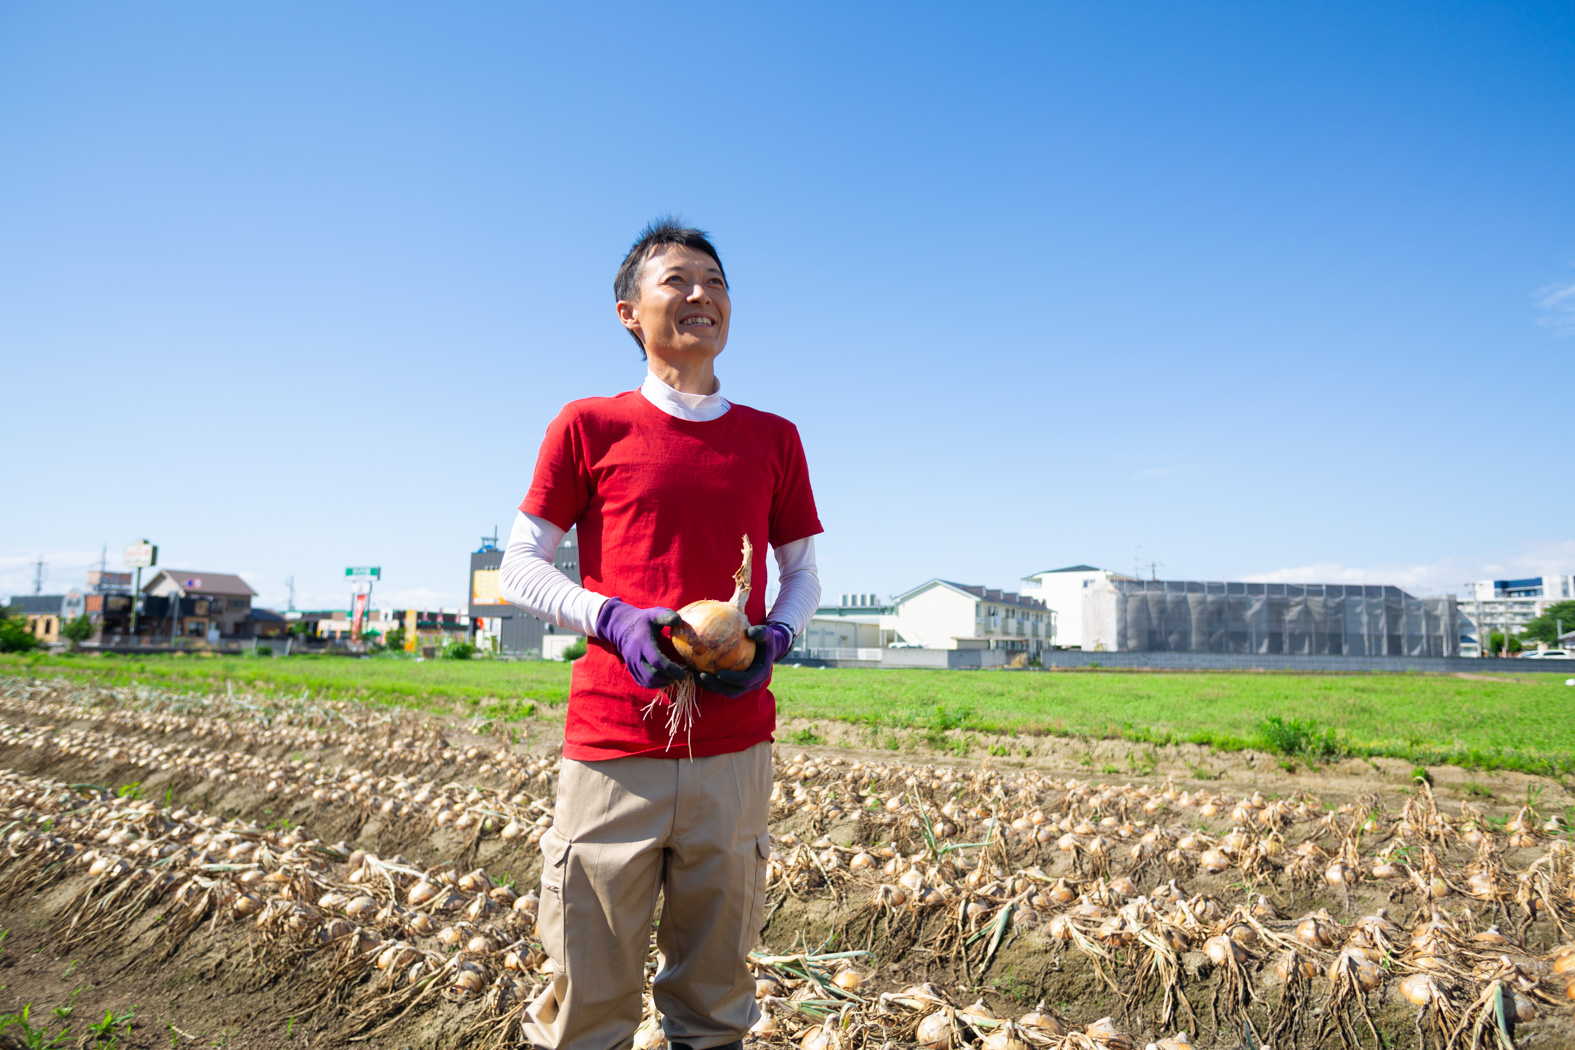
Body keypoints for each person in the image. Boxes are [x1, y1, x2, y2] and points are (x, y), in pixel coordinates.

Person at [498, 218, 823, 1050]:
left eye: (714, 282)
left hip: (733, 751)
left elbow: (803, 574)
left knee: (716, 1003)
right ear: (627, 313)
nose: (700, 295)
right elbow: (520, 566)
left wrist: (773, 642)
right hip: (615, 745)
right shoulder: (588, 425)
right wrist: (610, 617)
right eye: (675, 280)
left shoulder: (772, 438)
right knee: (589, 1000)